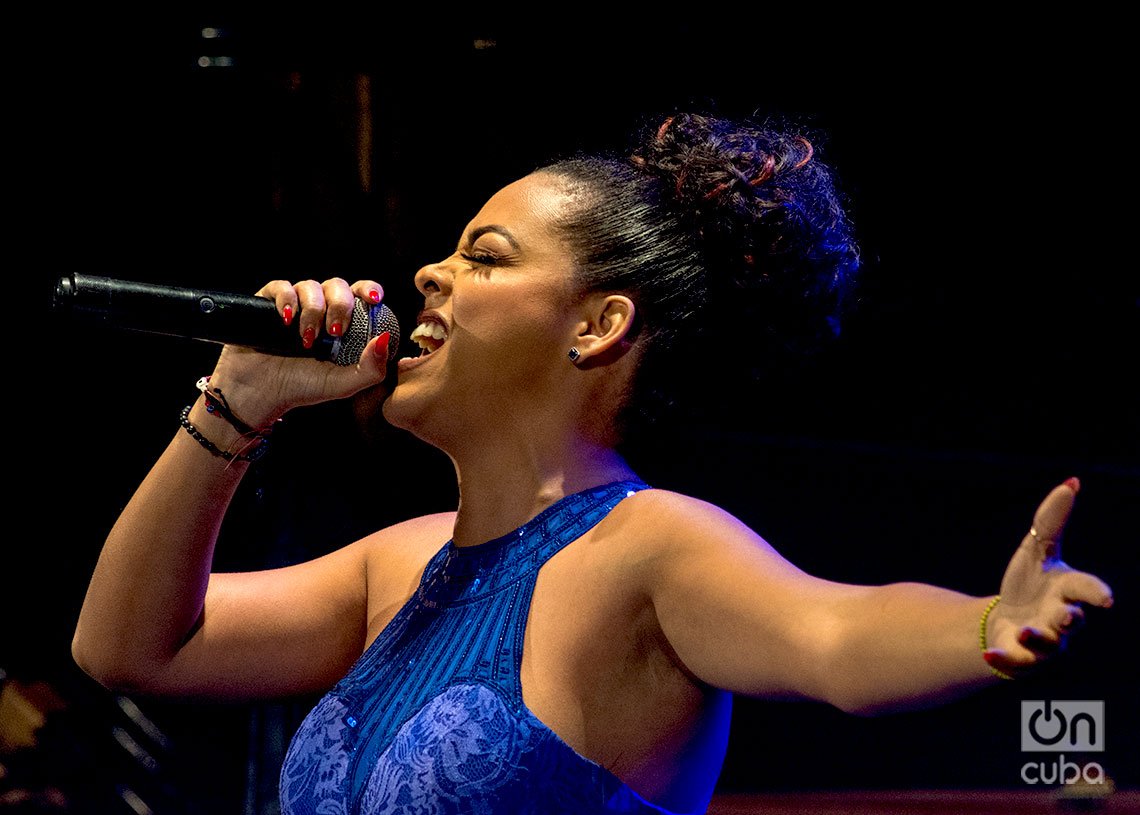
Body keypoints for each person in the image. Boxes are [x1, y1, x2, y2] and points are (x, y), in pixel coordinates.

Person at [70, 113, 1114, 814]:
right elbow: (129, 648)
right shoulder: (399, 563)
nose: (429, 272)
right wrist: (235, 404)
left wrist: (985, 621)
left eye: (486, 256)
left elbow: (834, 634)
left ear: (599, 324)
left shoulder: (649, 546)